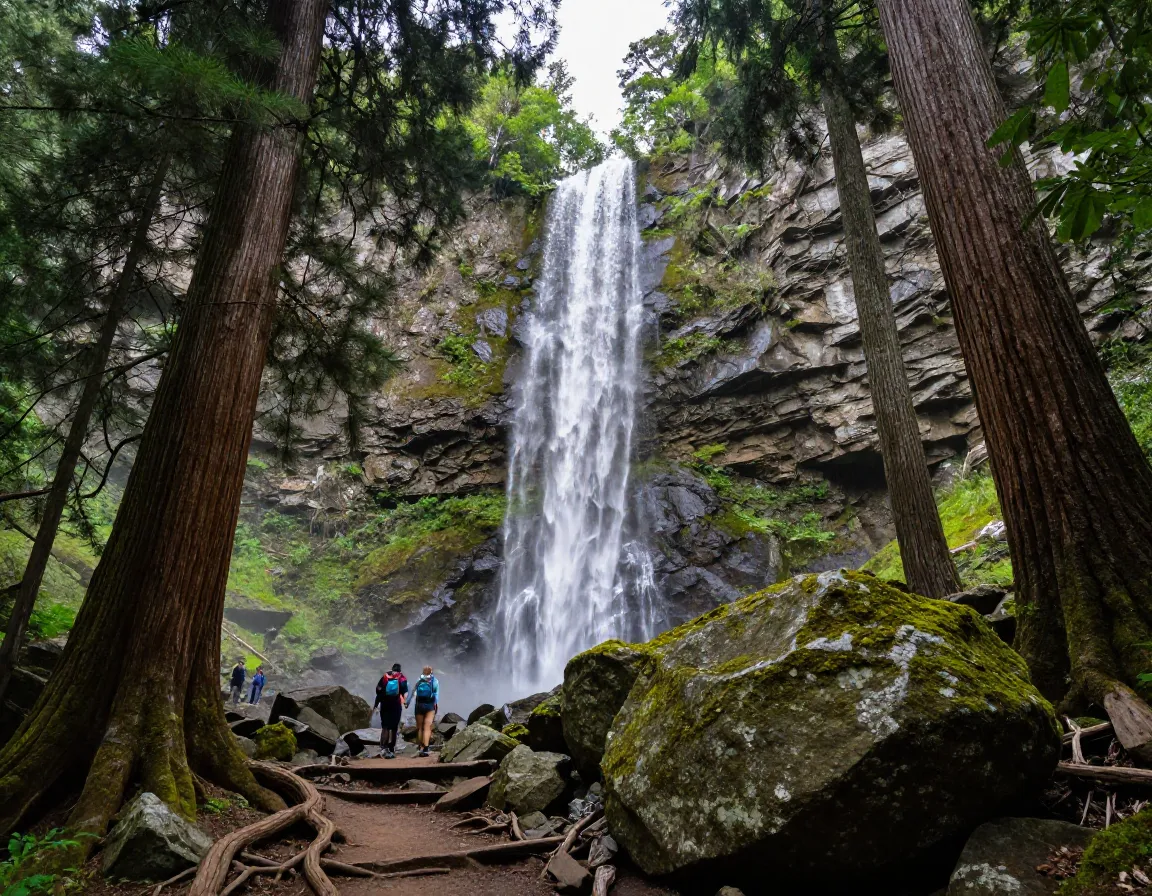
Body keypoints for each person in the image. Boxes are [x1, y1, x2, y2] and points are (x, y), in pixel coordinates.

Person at [374, 663, 408, 759]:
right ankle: (392, 748)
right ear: (400, 670)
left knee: (385, 726)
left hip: (385, 704)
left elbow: (378, 690)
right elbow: (405, 693)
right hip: (396, 705)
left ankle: (383, 747)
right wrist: (404, 702)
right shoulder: (402, 678)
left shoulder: (385, 676)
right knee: (394, 727)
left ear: (392, 669)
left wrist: (376, 705)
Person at [407, 666, 438, 758]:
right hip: (429, 705)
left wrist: (407, 703)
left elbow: (413, 692)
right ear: (431, 672)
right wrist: (436, 705)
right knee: (427, 727)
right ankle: (426, 748)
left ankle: (420, 747)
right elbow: (436, 694)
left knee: (420, 728)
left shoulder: (419, 680)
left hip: (419, 705)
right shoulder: (434, 681)